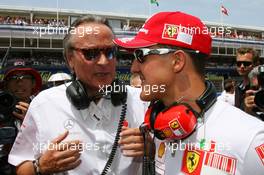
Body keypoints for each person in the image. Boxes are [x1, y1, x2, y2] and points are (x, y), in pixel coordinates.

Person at [114, 11, 264, 175]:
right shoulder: (160, 130)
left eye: (140, 55)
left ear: (177, 61)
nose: (133, 68)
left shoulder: (250, 138)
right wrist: (150, 155)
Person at [8, 16, 147, 175]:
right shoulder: (44, 104)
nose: (103, 62)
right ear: (70, 59)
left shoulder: (142, 100)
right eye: (91, 53)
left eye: (110, 52)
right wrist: (41, 166)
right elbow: (20, 167)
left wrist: (151, 147)